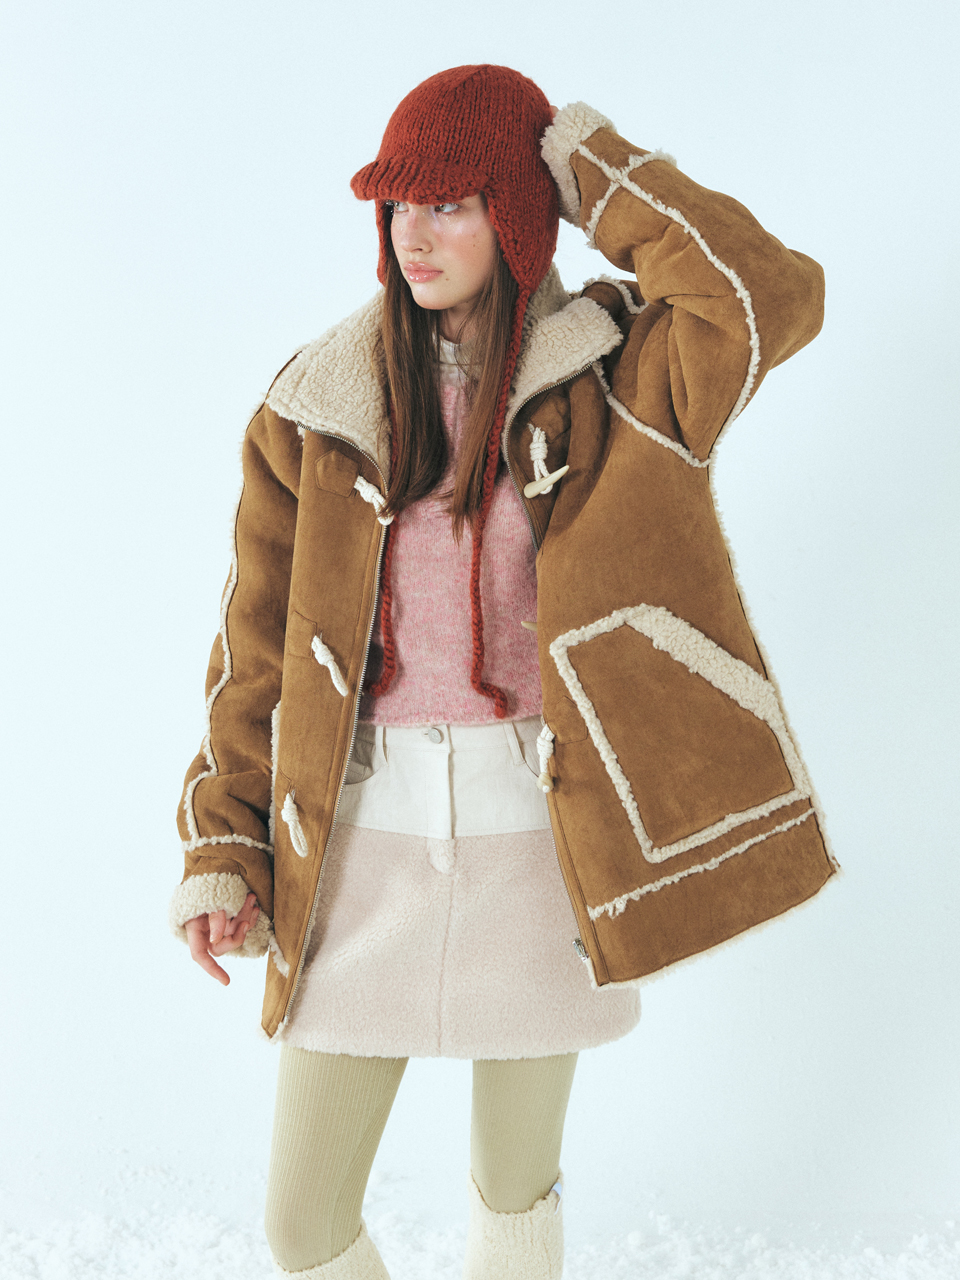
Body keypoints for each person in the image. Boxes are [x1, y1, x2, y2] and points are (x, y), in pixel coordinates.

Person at [169, 64, 837, 1280]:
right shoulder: (314, 408)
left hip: (540, 845)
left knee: (513, 1203)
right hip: (360, 850)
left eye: (454, 201)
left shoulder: (621, 379)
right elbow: (253, 651)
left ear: (518, 216)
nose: (413, 233)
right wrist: (224, 843)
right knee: (302, 1224)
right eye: (398, 203)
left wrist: (590, 167)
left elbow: (769, 294)